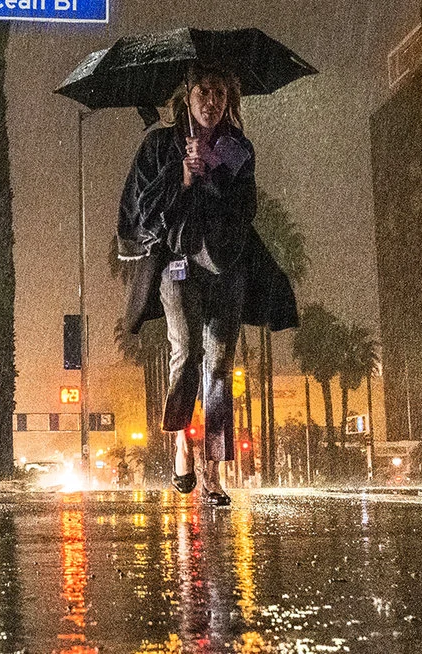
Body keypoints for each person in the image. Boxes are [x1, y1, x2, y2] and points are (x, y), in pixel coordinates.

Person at [117, 66, 295, 507]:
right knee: (188, 352)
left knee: (219, 366)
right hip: (177, 265)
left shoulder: (238, 148)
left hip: (226, 265)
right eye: (203, 92)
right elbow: (143, 209)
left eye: (219, 92)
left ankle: (214, 473)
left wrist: (214, 174)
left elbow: (247, 206)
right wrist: (181, 174)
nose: (211, 101)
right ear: (188, 97)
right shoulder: (159, 144)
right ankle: (181, 445)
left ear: (227, 98)